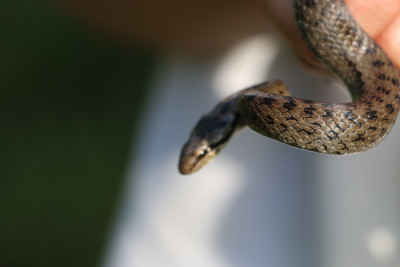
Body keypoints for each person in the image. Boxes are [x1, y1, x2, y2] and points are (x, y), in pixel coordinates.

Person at [60, 1, 400, 266]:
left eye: (204, 152)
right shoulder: (260, 100)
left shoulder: (262, 101)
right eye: (204, 151)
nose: (196, 160)